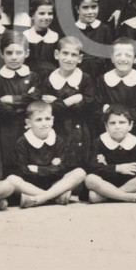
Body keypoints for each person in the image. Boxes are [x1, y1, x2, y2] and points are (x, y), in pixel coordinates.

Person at [5, 101, 87, 207]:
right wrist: (51, 168)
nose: (44, 123)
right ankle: (54, 197)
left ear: (52, 120)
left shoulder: (58, 141)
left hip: (55, 183)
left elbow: (62, 168)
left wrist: (38, 169)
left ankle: (40, 198)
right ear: (29, 123)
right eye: (39, 120)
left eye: (47, 119)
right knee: (11, 179)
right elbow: (22, 171)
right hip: (31, 185)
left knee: (80, 172)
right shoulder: (22, 142)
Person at [38, 35, 96, 172]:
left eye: (74, 55)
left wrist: (57, 103)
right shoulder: (49, 81)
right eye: (65, 53)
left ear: (80, 59)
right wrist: (71, 100)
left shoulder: (85, 80)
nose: (69, 58)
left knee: (79, 161)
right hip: (58, 128)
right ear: (57, 54)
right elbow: (47, 108)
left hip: (80, 129)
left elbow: (87, 106)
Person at [0, 31, 41, 175]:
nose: (14, 57)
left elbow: (35, 99)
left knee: (29, 159)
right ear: (1, 53)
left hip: (28, 127)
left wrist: (11, 99)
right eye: (9, 53)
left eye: (19, 52)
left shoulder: (33, 77)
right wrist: (23, 105)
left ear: (27, 53)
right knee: (8, 160)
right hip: (5, 128)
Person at [84, 104, 136, 203]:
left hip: (129, 183)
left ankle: (107, 196)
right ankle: (130, 197)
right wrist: (117, 168)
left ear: (130, 125)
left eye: (122, 122)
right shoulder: (98, 142)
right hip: (105, 182)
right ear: (106, 126)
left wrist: (106, 166)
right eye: (112, 123)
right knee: (90, 179)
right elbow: (93, 167)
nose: (117, 127)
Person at [95, 38, 136, 161]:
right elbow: (97, 107)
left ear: (135, 58)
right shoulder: (102, 80)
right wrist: (109, 116)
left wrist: (116, 114)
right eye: (118, 55)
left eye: (128, 55)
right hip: (110, 132)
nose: (123, 59)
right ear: (112, 58)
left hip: (135, 131)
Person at [71, 0, 114, 80]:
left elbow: (109, 58)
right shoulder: (73, 31)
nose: (90, 12)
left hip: (101, 77)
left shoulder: (104, 29)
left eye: (94, 7)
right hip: (79, 78)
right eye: (85, 8)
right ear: (77, 9)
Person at [24, 0, 59, 75]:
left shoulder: (56, 37)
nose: (46, 17)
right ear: (32, 14)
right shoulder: (24, 37)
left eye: (50, 13)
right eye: (42, 13)